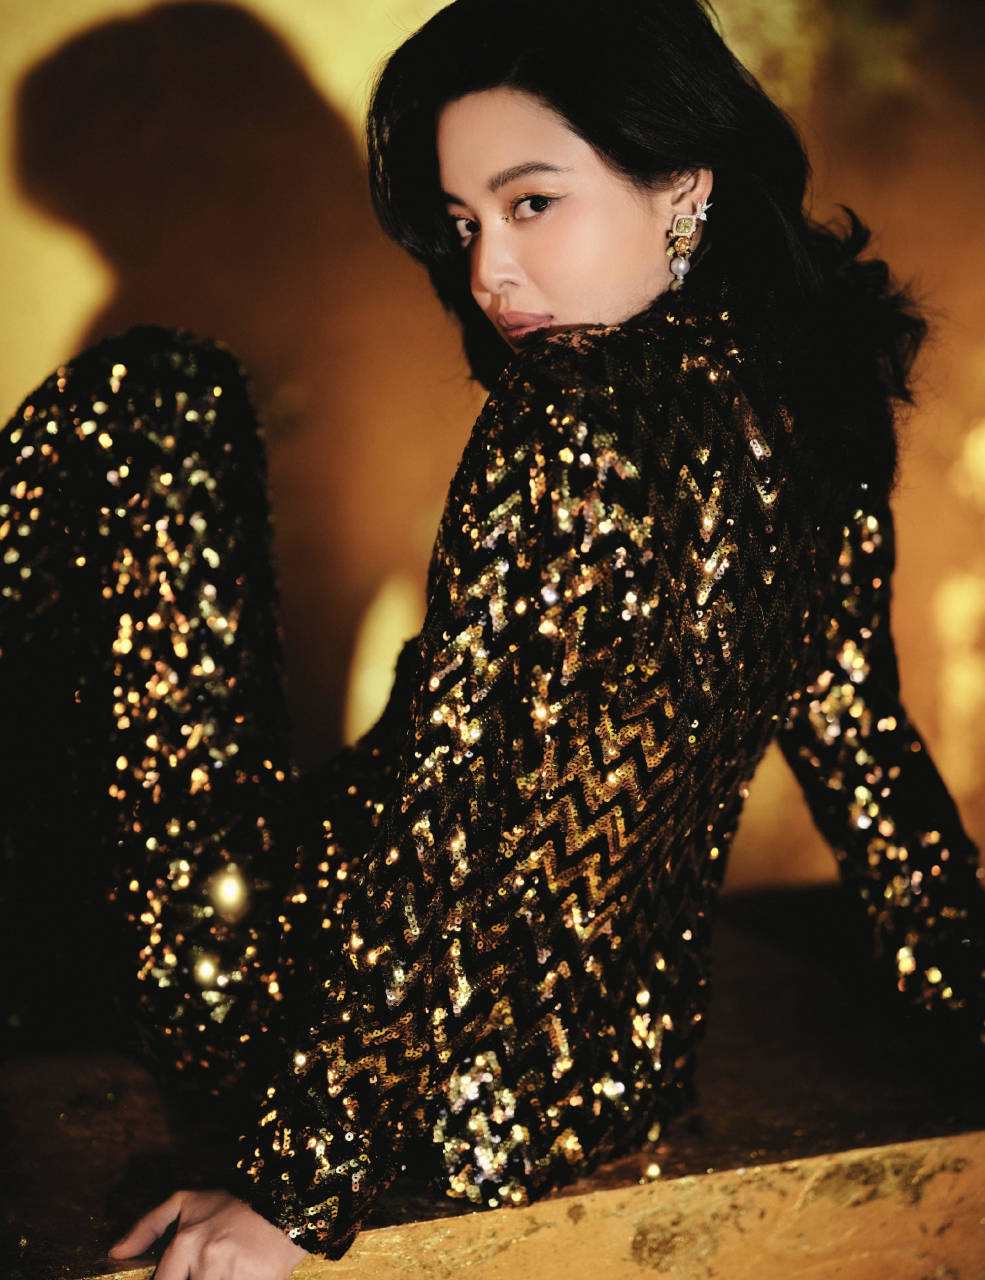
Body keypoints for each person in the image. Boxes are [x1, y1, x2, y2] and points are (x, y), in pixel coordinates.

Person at [1, 0, 981, 1276]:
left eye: (530, 203)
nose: (487, 274)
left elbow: (449, 822)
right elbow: (864, 754)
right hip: (612, 1076)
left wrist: (295, 1188)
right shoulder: (811, 424)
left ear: (684, 182)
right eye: (463, 223)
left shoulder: (562, 429)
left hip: (307, 1007)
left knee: (151, 396)